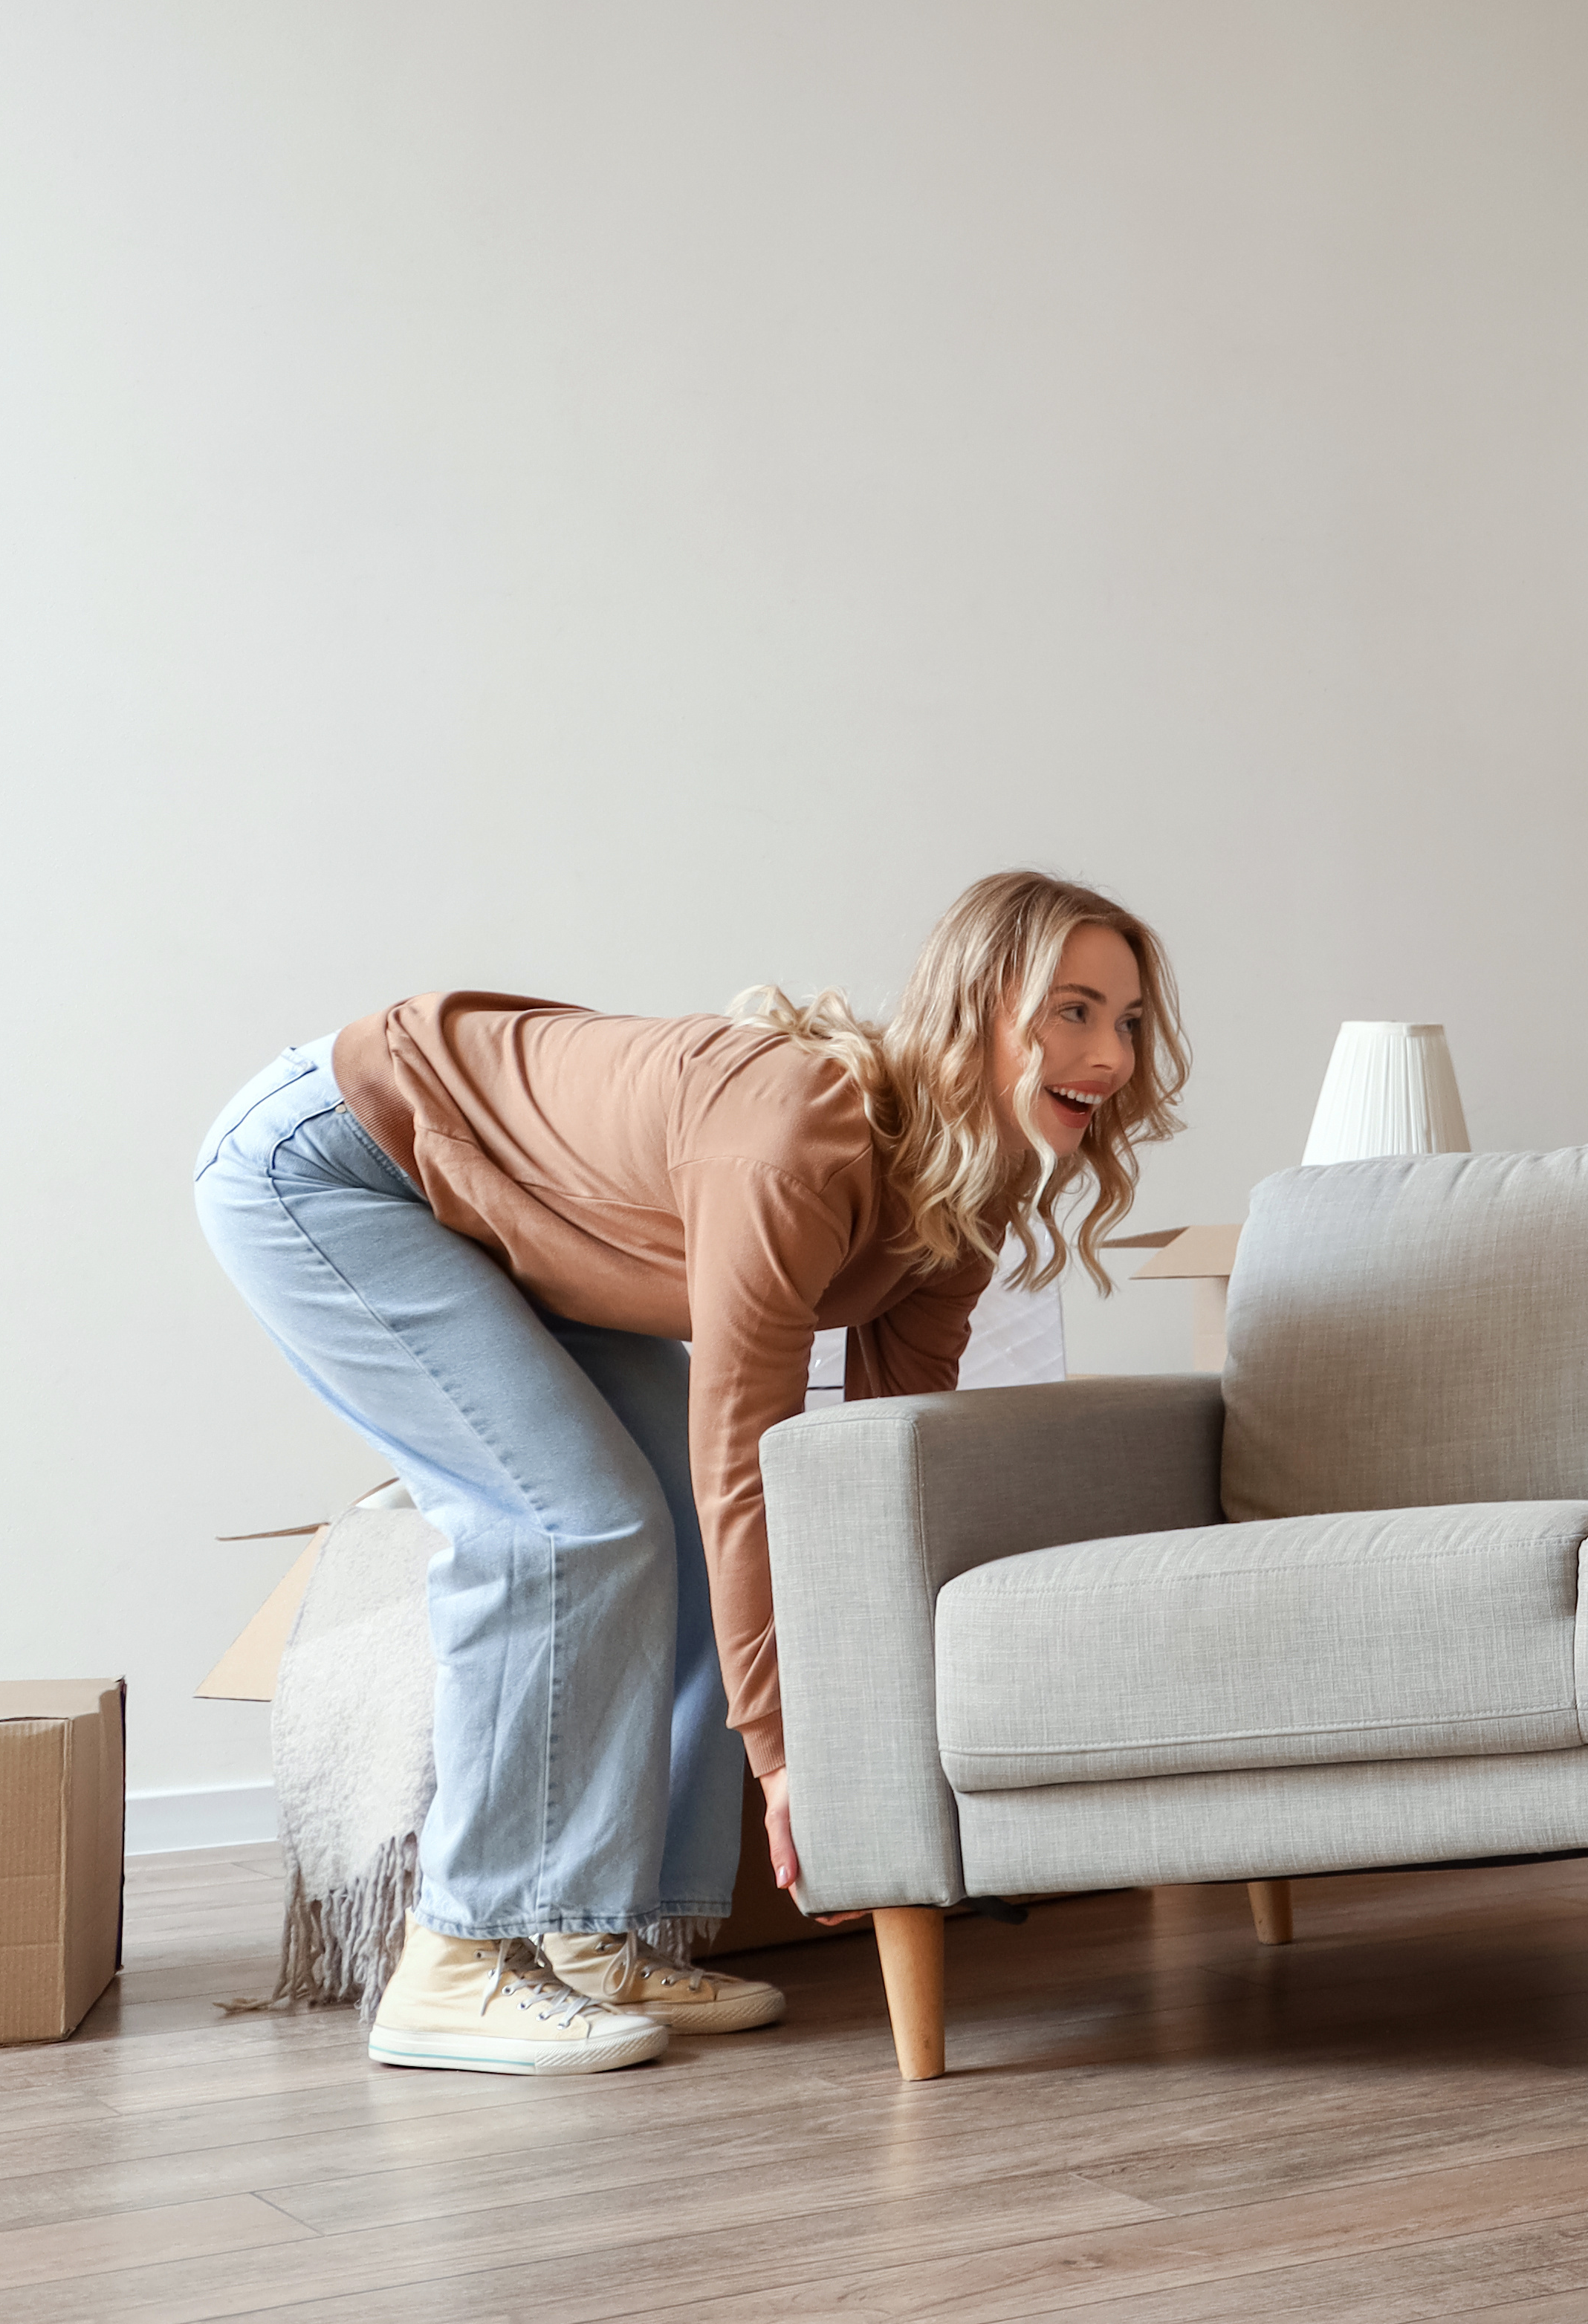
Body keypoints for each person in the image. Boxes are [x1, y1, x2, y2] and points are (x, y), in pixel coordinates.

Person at [192, 872, 1184, 2074]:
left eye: (1128, 1020)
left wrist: (874, 1720)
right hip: (339, 1165)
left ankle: (599, 1932)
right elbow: (747, 1466)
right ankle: (457, 1957)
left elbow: (866, 1476)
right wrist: (782, 1759)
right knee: (574, 1523)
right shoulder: (800, 1137)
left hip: (527, 1224)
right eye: (1073, 1011)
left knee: (685, 1523)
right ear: (978, 1005)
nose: (1113, 1054)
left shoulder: (977, 1179)